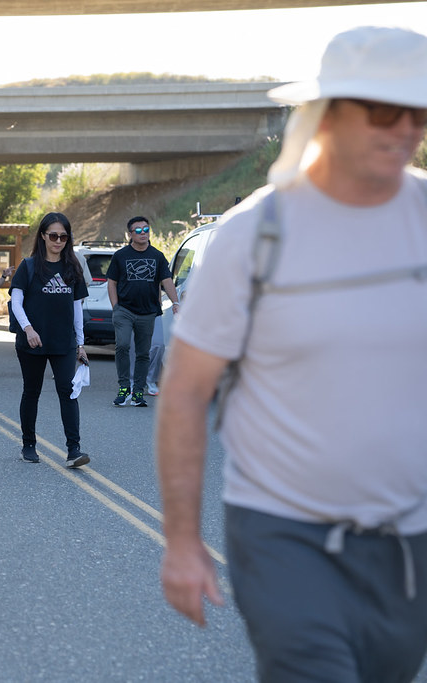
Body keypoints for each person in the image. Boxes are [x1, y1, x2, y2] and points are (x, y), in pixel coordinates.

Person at [156, 26, 427, 683]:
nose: (407, 129)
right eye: (386, 111)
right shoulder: (254, 238)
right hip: (285, 535)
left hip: (409, 543)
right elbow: (186, 393)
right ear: (328, 116)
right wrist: (184, 543)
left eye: (419, 112)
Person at [8, 212, 91, 468]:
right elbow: (17, 303)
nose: (58, 241)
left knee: (68, 392)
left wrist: (80, 343)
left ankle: (73, 450)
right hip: (32, 341)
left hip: (63, 342)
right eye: (53, 235)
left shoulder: (72, 268)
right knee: (32, 392)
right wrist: (29, 329)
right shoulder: (29, 266)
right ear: (43, 236)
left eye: (63, 236)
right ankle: (28, 444)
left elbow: (77, 308)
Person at [107, 216, 180, 408]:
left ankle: (138, 391)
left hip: (148, 312)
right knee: (122, 345)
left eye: (146, 229)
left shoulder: (157, 256)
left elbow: (167, 281)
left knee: (143, 353)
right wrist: (115, 307)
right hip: (124, 310)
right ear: (130, 234)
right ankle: (124, 388)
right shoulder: (120, 256)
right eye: (138, 230)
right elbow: (112, 283)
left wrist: (176, 302)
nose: (143, 233)